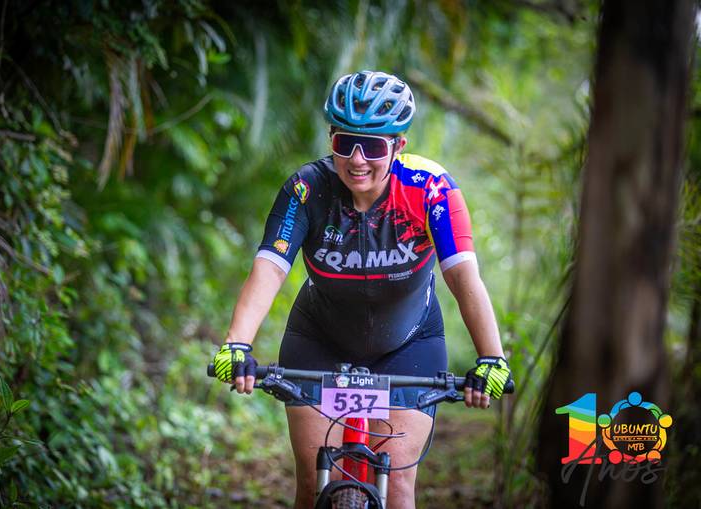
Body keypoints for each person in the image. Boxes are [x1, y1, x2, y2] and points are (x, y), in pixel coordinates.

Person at [211, 70, 512, 509]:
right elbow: (270, 268)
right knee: (314, 484)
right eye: (345, 142)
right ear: (330, 139)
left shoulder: (430, 190)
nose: (357, 160)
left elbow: (463, 276)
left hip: (409, 344)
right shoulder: (307, 188)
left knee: (400, 487)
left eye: (372, 147)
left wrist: (491, 357)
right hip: (319, 340)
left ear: (398, 146)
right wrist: (236, 344)